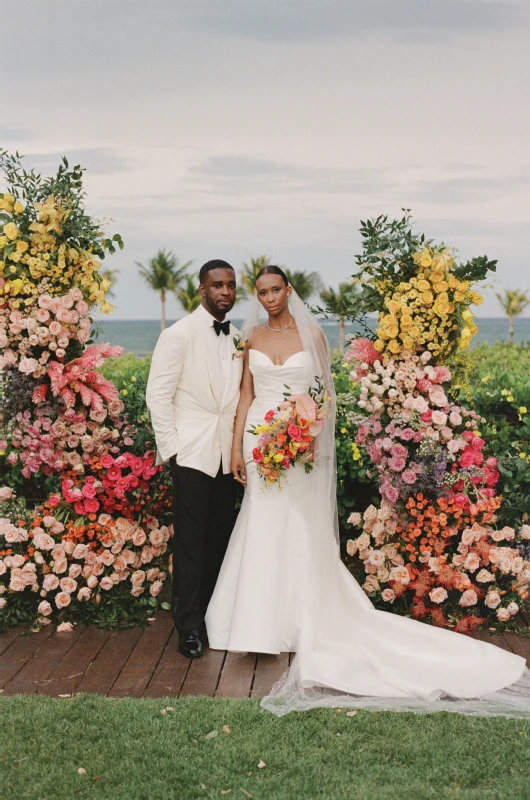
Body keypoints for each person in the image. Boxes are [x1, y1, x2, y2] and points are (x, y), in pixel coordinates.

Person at [205, 265, 530, 717]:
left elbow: (324, 398)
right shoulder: (252, 338)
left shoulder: (313, 335)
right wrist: (236, 449)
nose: (269, 298)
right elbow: (244, 396)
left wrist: (307, 435)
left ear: (289, 290)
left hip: (299, 437)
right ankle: (253, 624)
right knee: (259, 518)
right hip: (257, 436)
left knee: (294, 521)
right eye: (261, 292)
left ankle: (300, 618)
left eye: (276, 290)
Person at [146, 259, 242, 658]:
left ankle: (210, 618)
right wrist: (173, 451)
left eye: (231, 285)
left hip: (226, 457)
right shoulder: (178, 335)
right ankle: (187, 626)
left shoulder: (238, 338)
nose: (225, 292)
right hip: (191, 455)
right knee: (189, 543)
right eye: (217, 285)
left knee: (219, 538)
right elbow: (158, 395)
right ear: (202, 289)